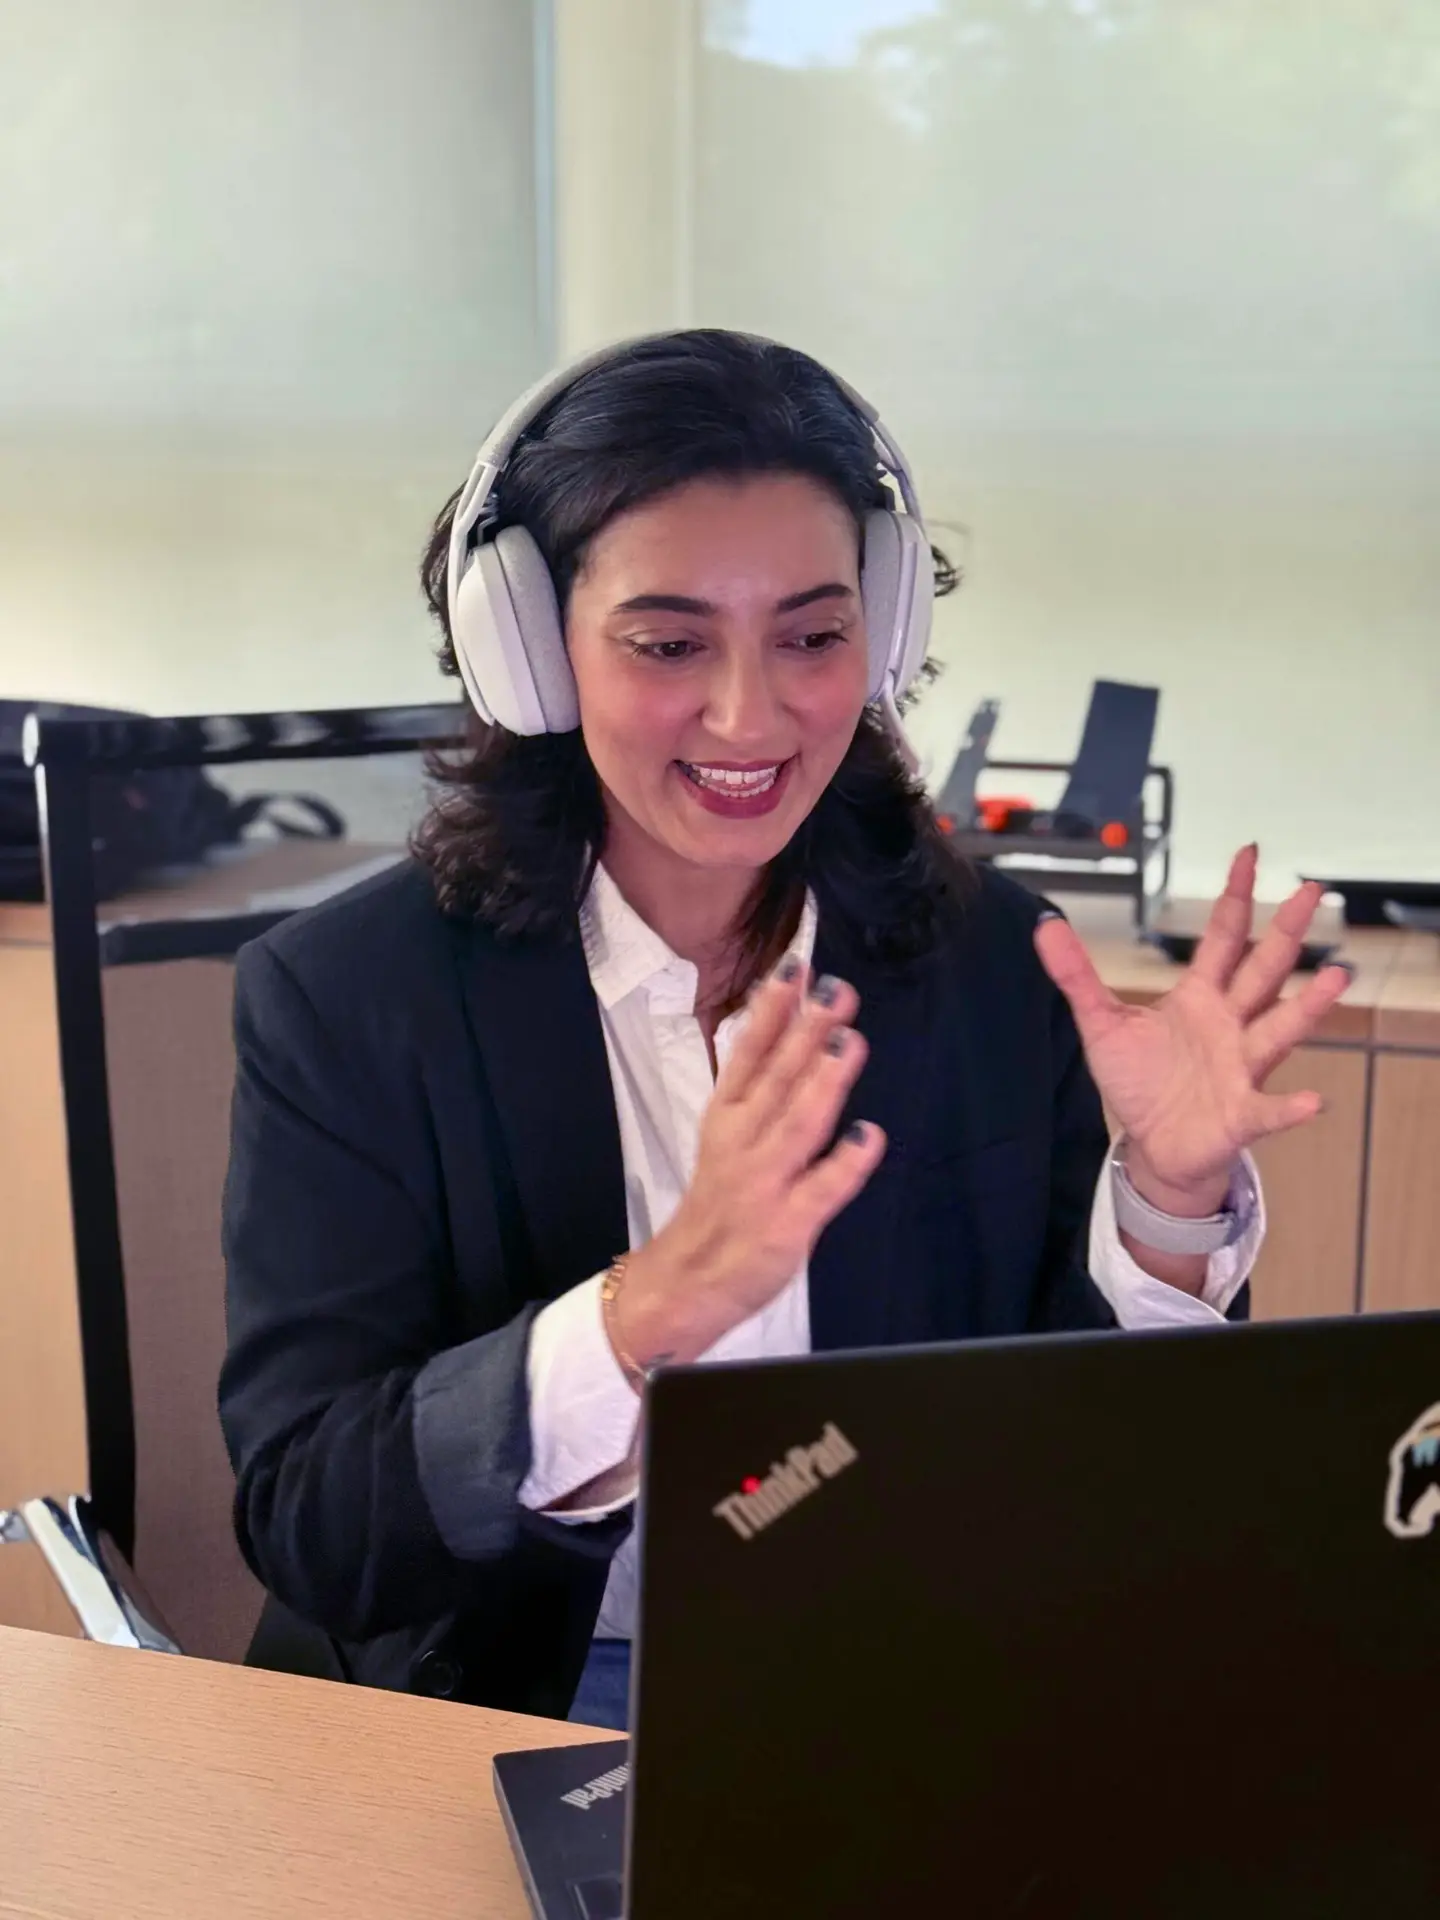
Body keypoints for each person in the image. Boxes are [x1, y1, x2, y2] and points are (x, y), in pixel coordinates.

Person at [219, 330, 1352, 1726]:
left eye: (813, 636)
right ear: (533, 652)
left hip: (902, 1683)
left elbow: (1086, 1457)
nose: (750, 715)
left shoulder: (995, 959)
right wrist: (642, 1317)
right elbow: (315, 1524)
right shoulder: (350, 999)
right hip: (518, 1707)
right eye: (668, 643)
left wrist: (1167, 1205)